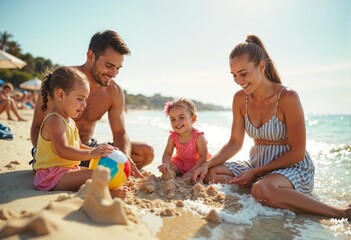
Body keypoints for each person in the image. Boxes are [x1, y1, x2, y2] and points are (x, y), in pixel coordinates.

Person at [192, 35, 351, 219]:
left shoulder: (288, 97)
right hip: (257, 165)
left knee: (262, 189)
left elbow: (297, 153)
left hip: (293, 168)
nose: (238, 80)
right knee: (213, 174)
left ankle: (341, 212)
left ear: (261, 66)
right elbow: (235, 143)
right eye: (234, 75)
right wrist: (206, 164)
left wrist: (256, 173)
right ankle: (268, 191)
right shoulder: (239, 99)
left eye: (243, 73)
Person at [30, 30, 154, 176]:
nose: (113, 74)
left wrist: (124, 159)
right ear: (91, 56)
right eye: (109, 66)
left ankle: (92, 169)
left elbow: (120, 133)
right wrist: (52, 155)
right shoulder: (62, 81)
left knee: (146, 153)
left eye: (118, 68)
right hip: (56, 151)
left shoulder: (114, 91)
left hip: (88, 148)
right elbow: (37, 126)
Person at [33, 66, 127, 198]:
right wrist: (91, 153)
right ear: (60, 94)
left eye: (85, 99)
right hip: (51, 176)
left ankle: (102, 189)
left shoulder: (69, 120)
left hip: (65, 170)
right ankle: (107, 194)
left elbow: (77, 145)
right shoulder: (54, 120)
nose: (84, 105)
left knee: (99, 172)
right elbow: (63, 150)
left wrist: (99, 150)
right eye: (80, 99)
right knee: (93, 174)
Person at [158, 98, 211, 179]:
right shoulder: (173, 136)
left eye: (181, 117)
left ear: (193, 119)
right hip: (180, 163)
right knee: (169, 169)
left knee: (207, 173)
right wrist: (166, 164)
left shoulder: (198, 136)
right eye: (173, 119)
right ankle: (171, 174)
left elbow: (204, 156)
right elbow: (167, 153)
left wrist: (192, 171)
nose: (177, 122)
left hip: (196, 164)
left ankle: (191, 175)